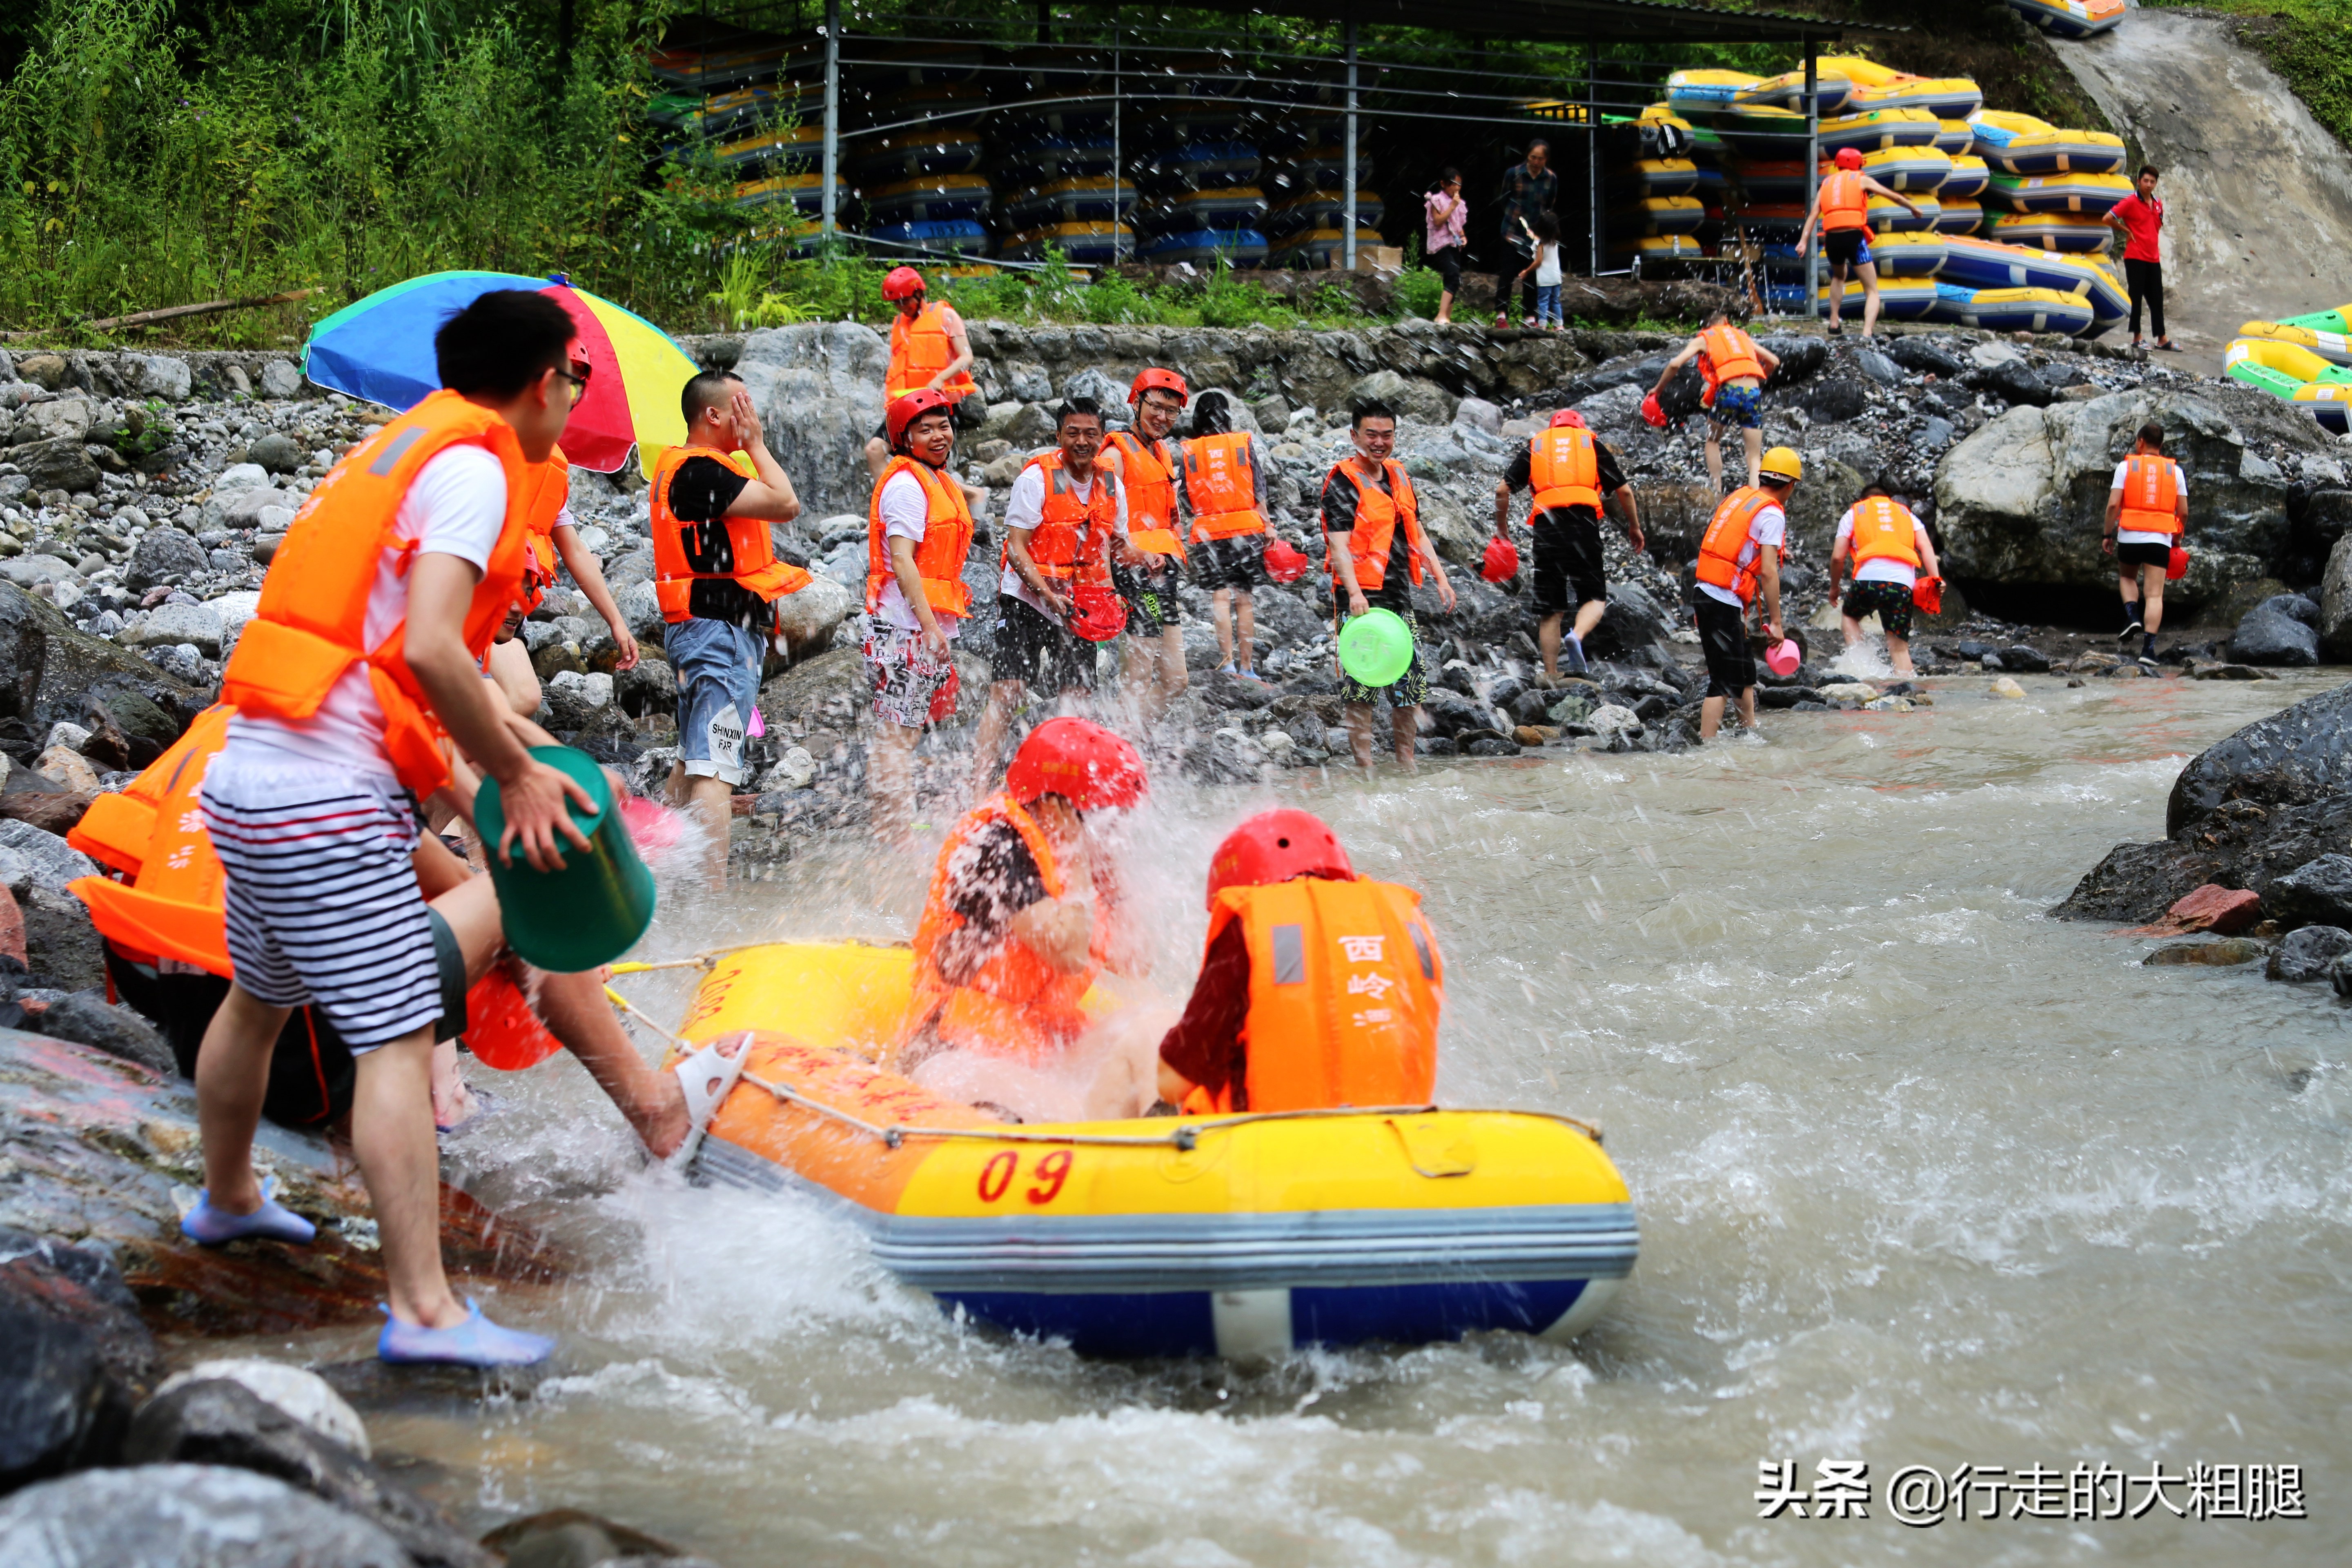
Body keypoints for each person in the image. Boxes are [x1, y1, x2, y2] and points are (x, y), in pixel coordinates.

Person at [188, 289, 607, 1367]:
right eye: (576, 379)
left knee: (260, 999)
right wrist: (515, 777)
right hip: (327, 805)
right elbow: (429, 648)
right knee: (395, 1040)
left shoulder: (395, 454)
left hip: (247, 778)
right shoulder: (475, 470)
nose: (576, 398)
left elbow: (393, 671)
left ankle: (228, 1198)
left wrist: (478, 795)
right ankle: (425, 1312)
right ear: (543, 381)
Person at [70, 704, 703, 1151]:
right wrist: (571, 956)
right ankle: (653, 1107)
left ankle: (410, 1107)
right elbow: (485, 909)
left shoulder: (229, 726)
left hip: (195, 1038)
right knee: (525, 900)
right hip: (295, 1061)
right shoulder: (360, 746)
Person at [898, 718, 1155, 1122]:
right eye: (1107, 815)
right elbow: (1069, 955)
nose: (1116, 829)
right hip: (955, 1049)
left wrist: (1112, 876)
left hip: (1035, 1044)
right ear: (1054, 807)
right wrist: (1078, 856)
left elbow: (1136, 962)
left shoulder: (1078, 853)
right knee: (1071, 1116)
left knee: (1152, 1026)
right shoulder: (995, 845)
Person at [1156, 809, 1442, 1115]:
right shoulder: (1404, 925)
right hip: (1397, 1131)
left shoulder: (1248, 930)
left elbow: (1172, 1084)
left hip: (1271, 1136)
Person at [650, 369, 808, 886]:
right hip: (717, 633)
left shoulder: (693, 469)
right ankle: (711, 897)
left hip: (700, 630)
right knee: (716, 767)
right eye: (744, 406)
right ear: (713, 414)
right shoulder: (701, 471)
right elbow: (786, 503)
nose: (752, 418)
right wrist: (757, 446)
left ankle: (655, 872)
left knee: (690, 759)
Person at [970, 399, 1122, 779]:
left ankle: (1062, 781)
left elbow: (1115, 545)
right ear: (1059, 436)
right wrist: (1046, 594)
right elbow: (1016, 546)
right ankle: (978, 784)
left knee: (1079, 696)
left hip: (1077, 602)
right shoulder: (1035, 479)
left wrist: (1140, 565)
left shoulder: (1111, 484)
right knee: (1008, 692)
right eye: (1073, 433)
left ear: (1103, 438)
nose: (1082, 441)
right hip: (1026, 597)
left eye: (1091, 434)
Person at [863, 388, 977, 840]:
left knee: (905, 733)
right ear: (904, 438)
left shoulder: (936, 479)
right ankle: (895, 838)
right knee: (898, 736)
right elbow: (902, 560)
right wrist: (930, 628)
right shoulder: (908, 486)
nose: (938, 436)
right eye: (925, 430)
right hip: (903, 627)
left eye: (943, 426)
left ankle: (892, 832)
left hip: (917, 626)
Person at [1322, 402, 1457, 770]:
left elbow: (1418, 533)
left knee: (1409, 685)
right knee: (1361, 688)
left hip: (1398, 596)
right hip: (1359, 600)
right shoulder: (1343, 482)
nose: (1379, 443)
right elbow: (1338, 545)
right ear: (1355, 436)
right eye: (1371, 435)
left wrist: (1441, 577)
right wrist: (1354, 594)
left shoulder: (1399, 475)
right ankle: (1365, 768)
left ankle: (1406, 765)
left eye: (1387, 435)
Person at [1493, 410, 1642, 680]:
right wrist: (1634, 527)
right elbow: (1625, 491)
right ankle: (1577, 635)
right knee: (1594, 597)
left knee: (1551, 609)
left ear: (1552, 428)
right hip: (1583, 526)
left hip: (1547, 530)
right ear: (1580, 427)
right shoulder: (1590, 444)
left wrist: (1502, 530)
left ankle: (1551, 675)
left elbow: (1502, 490)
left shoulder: (1537, 446)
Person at [1099, 369, 1191, 721]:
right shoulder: (1117, 454)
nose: (1162, 417)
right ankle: (1125, 743)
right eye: (1155, 407)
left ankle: (1129, 738)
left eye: (1171, 411)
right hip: (1134, 574)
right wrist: (1107, 583)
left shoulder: (1161, 451)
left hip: (1161, 573)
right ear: (1136, 404)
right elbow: (1101, 524)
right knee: (1137, 677)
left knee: (1176, 680)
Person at [1691, 445, 1799, 740]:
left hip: (1709, 593)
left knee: (1743, 674)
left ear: (1763, 476)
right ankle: (1705, 747)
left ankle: (1749, 736)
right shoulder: (1772, 514)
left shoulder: (1740, 499)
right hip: (1721, 599)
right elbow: (1769, 572)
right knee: (1723, 680)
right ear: (1790, 485)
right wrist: (1776, 623)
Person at [861, 267, 989, 513]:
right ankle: (895, 506)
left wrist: (940, 379)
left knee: (925, 464)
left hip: (938, 404)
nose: (902, 307)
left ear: (919, 293)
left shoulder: (946, 316)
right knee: (875, 450)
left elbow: (967, 358)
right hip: (907, 407)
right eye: (897, 303)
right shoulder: (898, 323)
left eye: (905, 300)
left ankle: (966, 497)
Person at [1180, 390, 1272, 681]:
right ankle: (1248, 668)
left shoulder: (1191, 451)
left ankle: (1228, 664)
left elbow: (1185, 495)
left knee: (1220, 599)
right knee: (1244, 600)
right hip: (1246, 529)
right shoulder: (1241, 444)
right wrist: (1268, 524)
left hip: (1210, 532)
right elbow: (1258, 487)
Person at [1795, 147, 1922, 338]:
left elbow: (1813, 215)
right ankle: (1867, 333)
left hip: (1832, 240)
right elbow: (1893, 196)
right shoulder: (1862, 179)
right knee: (1872, 289)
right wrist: (1913, 208)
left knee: (1839, 276)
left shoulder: (1826, 184)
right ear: (1858, 164)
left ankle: (1834, 322)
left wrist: (1803, 242)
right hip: (1854, 238)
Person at [1650, 311, 1782, 492]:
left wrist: (1658, 390)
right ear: (1725, 321)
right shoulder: (1741, 336)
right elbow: (1774, 361)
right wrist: (1757, 380)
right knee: (1754, 457)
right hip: (1752, 393)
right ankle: (1758, 500)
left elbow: (1674, 364)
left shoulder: (1704, 338)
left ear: (1705, 326)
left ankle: (1717, 492)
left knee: (1713, 440)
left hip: (1728, 391)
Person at [1826, 479, 1940, 678]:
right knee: (1899, 649)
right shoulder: (1907, 515)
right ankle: (1908, 690)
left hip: (1867, 582)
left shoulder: (1855, 513)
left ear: (1862, 500)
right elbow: (1926, 547)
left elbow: (1837, 557)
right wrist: (1936, 580)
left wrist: (1834, 587)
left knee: (1850, 617)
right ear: (1889, 500)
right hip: (1902, 586)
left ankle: (1862, 670)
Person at [2104, 421, 2187, 671]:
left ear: (2141, 442)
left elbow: (2113, 506)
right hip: (2160, 538)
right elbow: (2183, 512)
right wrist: (2177, 538)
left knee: (2127, 578)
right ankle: (2148, 651)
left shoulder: (2126, 467)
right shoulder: (2175, 472)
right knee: (2154, 595)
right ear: (2161, 445)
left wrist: (2107, 534)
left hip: (2129, 535)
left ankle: (2132, 616)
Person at [2106, 166, 2172, 352]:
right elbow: (2108, 218)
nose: (2149, 185)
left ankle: (2162, 339)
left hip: (2153, 257)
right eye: (2146, 181)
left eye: (2152, 182)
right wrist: (2126, 230)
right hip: (2135, 256)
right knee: (2136, 297)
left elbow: (2156, 227)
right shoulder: (2130, 202)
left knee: (2157, 299)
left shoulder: (2158, 203)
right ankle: (2137, 337)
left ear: (2156, 184)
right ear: (2139, 181)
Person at [1496, 139, 1556, 329]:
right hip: (1512, 230)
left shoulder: (1550, 178)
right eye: (1533, 158)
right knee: (1507, 273)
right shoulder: (1514, 174)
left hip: (1535, 234)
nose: (1536, 162)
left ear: (1546, 159)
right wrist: (1515, 217)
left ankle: (1530, 316)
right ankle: (1501, 315)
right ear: (1527, 156)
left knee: (1532, 275)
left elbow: (1549, 205)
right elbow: (1504, 199)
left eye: (1540, 159)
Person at [1423, 168, 1467, 326]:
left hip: (1454, 244)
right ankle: (1440, 315)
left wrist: (1463, 236)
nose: (1456, 188)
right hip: (1440, 244)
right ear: (1443, 184)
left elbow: (1458, 224)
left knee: (1454, 279)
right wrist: (1452, 206)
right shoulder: (1436, 200)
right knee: (1452, 274)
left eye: (1459, 184)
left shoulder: (1459, 203)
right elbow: (1438, 221)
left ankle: (1447, 316)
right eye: (1453, 184)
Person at [1514, 212, 1564, 330]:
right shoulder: (1554, 241)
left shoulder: (1540, 244)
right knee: (1555, 302)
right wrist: (1533, 236)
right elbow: (1540, 242)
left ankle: (1542, 325)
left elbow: (1538, 262)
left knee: (1543, 302)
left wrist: (1526, 271)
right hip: (1556, 278)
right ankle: (1559, 325)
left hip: (1545, 279)